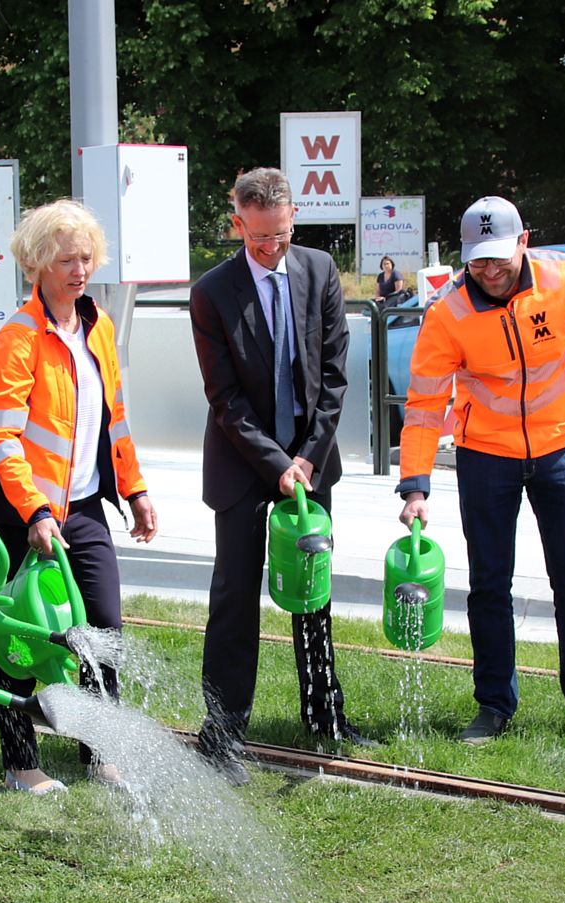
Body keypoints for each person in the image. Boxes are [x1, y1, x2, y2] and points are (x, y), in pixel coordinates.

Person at [395, 196, 565, 758]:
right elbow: (425, 404)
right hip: (485, 456)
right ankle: (494, 704)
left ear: (524, 240)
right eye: (477, 260)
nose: (489, 269)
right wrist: (415, 485)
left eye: (498, 256)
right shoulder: (447, 312)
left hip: (563, 449)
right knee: (488, 584)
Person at [188, 167, 373, 786]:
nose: (272, 248)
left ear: (293, 219)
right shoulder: (212, 291)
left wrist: (307, 459)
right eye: (260, 238)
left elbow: (334, 376)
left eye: (282, 236)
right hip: (243, 464)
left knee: (311, 589)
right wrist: (276, 464)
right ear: (238, 222)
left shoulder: (319, 270)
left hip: (311, 457)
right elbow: (225, 399)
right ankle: (223, 734)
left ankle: (325, 717)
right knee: (234, 599)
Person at [0, 199, 156, 795]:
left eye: (85, 258)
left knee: (103, 631)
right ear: (37, 265)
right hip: (23, 514)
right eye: (64, 260)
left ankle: (99, 754)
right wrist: (33, 511)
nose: (78, 270)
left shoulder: (99, 326)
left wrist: (134, 489)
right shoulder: (17, 337)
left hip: (83, 512)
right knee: (23, 638)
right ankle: (21, 764)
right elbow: (0, 437)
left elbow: (115, 419)